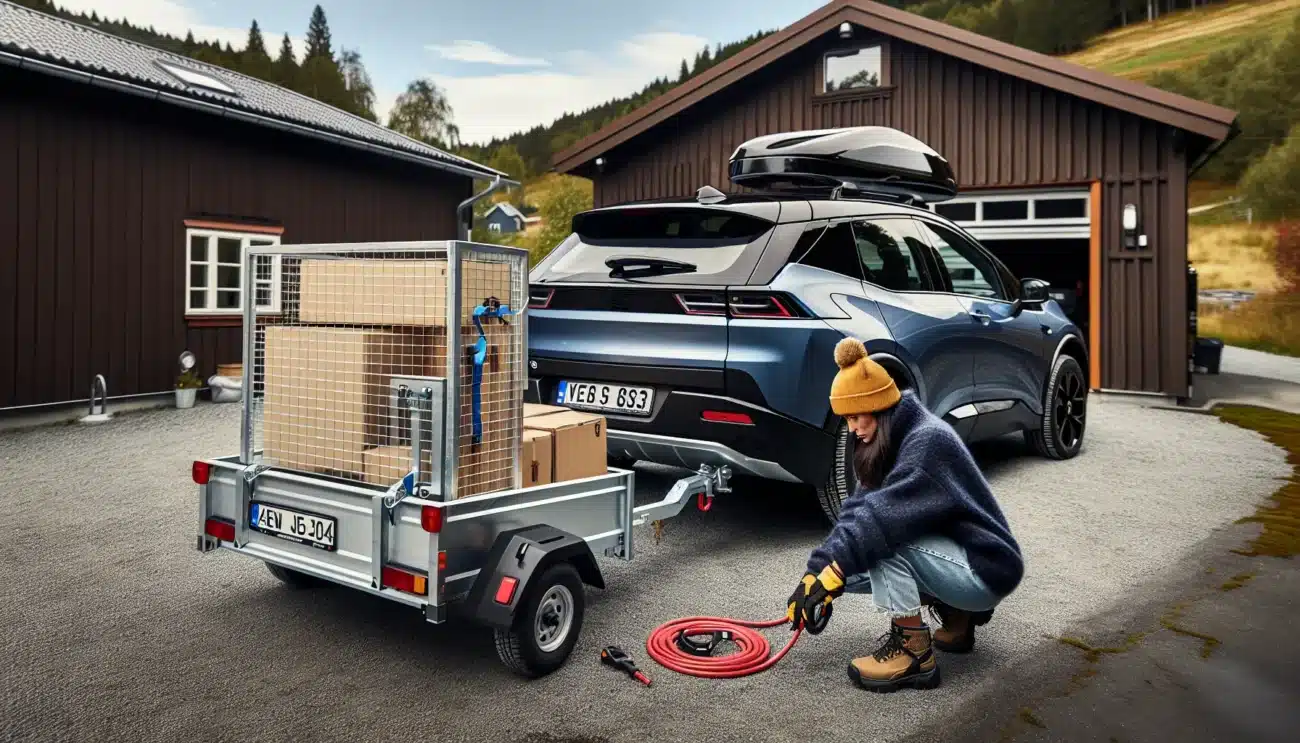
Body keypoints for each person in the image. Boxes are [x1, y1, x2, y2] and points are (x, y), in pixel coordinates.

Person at [786, 336, 1025, 693]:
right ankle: (958, 617)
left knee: (880, 542)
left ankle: (913, 653)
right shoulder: (889, 439)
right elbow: (856, 512)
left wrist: (833, 571)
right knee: (845, 574)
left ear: (877, 405)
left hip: (985, 569)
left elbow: (879, 522)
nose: (852, 428)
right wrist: (815, 573)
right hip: (959, 558)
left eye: (855, 417)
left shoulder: (927, 442)